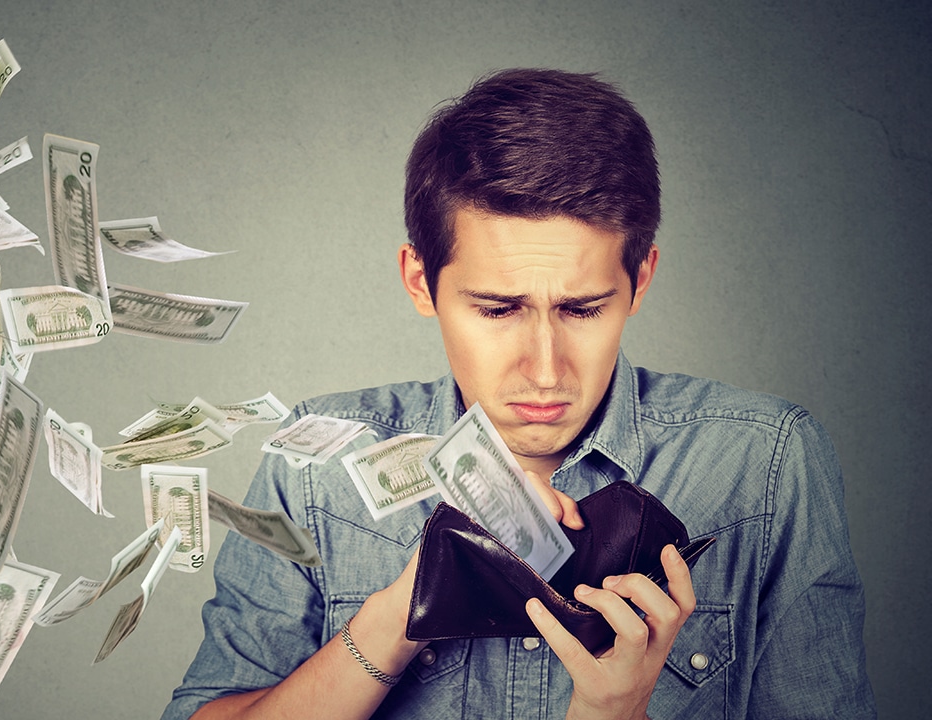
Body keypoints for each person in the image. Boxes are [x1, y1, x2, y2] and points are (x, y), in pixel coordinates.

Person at [162, 69, 876, 719]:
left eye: (583, 309)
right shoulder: (316, 465)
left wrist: (614, 710)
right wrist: (400, 612)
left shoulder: (767, 464)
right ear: (420, 282)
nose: (544, 369)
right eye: (498, 310)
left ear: (642, 279)